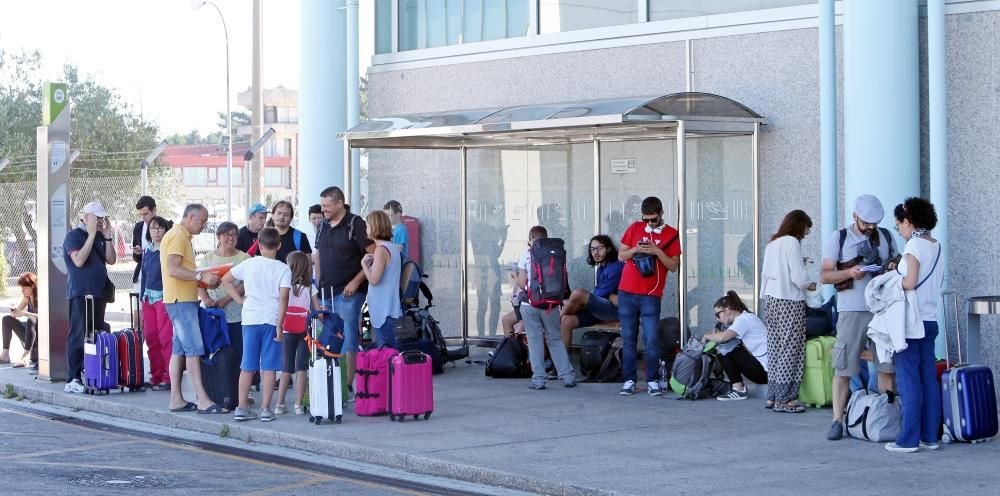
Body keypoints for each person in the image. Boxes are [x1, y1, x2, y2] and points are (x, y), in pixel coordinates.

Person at [821, 195, 897, 440]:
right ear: (855, 216)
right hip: (851, 310)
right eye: (866, 222)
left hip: (882, 310)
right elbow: (824, 275)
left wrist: (892, 266)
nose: (871, 227)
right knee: (843, 368)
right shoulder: (839, 237)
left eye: (875, 223)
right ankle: (836, 420)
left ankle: (888, 417)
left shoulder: (885, 236)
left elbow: (897, 262)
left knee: (886, 366)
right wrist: (849, 272)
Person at [885, 198, 943, 453]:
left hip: (910, 322)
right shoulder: (936, 245)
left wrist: (891, 279)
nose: (899, 230)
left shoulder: (914, 246)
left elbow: (909, 282)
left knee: (909, 380)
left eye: (899, 225)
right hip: (930, 319)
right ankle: (931, 436)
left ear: (908, 222)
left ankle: (908, 440)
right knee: (928, 379)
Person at [222, 227, 291, 422]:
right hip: (271, 320)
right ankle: (265, 410)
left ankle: (242, 408)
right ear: (278, 245)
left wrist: (239, 298)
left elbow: (226, 279)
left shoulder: (249, 264)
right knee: (269, 367)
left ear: (259, 245)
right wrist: (280, 324)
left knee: (247, 366)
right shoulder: (283, 269)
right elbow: (284, 297)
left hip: (250, 318)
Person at [161, 204, 224, 413]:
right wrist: (200, 277)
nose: (204, 225)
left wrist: (202, 284)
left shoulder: (182, 236)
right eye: (202, 220)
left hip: (181, 300)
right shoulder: (178, 236)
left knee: (179, 350)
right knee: (194, 349)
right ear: (189, 217)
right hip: (181, 301)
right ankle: (203, 400)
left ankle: (176, 399)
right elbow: (173, 269)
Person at [617, 197, 681, 396]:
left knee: (651, 338)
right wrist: (636, 248)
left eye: (653, 220)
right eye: (646, 220)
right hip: (627, 291)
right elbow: (621, 255)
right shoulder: (635, 228)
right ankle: (629, 380)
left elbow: (673, 266)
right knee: (628, 339)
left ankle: (652, 380)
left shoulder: (671, 234)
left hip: (651, 294)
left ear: (661, 213)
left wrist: (656, 251)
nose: (649, 224)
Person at [314, 186, 375, 394]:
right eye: (322, 206)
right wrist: (318, 282)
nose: (323, 210)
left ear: (339, 203)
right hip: (326, 292)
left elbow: (373, 253)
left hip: (349, 293)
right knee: (328, 338)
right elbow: (319, 255)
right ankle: (330, 385)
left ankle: (348, 386)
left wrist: (356, 282)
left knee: (348, 337)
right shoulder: (323, 225)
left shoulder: (355, 224)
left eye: (327, 205)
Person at [760, 209, 816, 413]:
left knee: (775, 348)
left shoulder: (773, 242)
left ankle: (773, 396)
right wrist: (812, 285)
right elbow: (798, 279)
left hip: (771, 299)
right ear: (799, 226)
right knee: (790, 350)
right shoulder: (792, 242)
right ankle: (785, 399)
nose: (805, 235)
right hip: (789, 300)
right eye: (806, 230)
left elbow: (770, 271)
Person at [62, 201, 117, 393]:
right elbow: (78, 261)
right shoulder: (74, 236)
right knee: (79, 333)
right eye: (97, 218)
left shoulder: (101, 236)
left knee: (96, 334)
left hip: (99, 293)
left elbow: (111, 260)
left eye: (102, 218)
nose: (101, 221)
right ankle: (73, 377)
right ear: (85, 218)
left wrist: (108, 237)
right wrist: (92, 234)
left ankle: (91, 371)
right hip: (80, 293)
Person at [517, 226, 576, 390]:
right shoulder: (555, 253)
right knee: (555, 338)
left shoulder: (526, 255)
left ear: (530, 239)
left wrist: (515, 277)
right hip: (551, 303)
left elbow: (522, 283)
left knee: (535, 340)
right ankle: (568, 376)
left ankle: (538, 379)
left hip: (530, 304)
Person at [198, 221, 250, 399]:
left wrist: (226, 299)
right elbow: (199, 282)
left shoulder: (244, 258)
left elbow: (245, 284)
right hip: (214, 316)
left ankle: (240, 392)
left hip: (238, 315)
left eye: (234, 234)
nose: (230, 238)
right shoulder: (208, 258)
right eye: (226, 234)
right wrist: (207, 299)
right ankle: (220, 390)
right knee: (218, 354)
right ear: (218, 237)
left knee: (239, 353)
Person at [559, 235, 624, 353]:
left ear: (608, 249)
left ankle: (554, 321)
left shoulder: (617, 266)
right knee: (566, 320)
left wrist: (576, 302)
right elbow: (603, 294)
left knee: (578, 293)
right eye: (593, 249)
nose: (595, 252)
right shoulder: (600, 268)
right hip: (601, 309)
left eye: (599, 248)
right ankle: (563, 366)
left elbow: (601, 293)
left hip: (615, 311)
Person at [702, 290, 768, 401]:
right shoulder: (746, 318)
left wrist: (706, 336)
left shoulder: (743, 320)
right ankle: (738, 388)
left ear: (726, 310)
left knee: (724, 349)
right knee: (728, 346)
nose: (717, 319)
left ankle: (738, 390)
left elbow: (723, 337)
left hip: (765, 372)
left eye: (718, 314)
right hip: (766, 371)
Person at [276, 251, 318, 416]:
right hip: (304, 330)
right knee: (301, 368)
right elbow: (317, 310)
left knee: (286, 368)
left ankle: (279, 404)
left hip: (287, 330)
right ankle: (298, 405)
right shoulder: (310, 287)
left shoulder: (285, 286)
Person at [139, 216, 174, 390]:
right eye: (153, 228)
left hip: (163, 298)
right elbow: (144, 275)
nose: (157, 231)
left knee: (165, 337)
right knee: (151, 336)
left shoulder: (168, 249)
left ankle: (169, 377)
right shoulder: (147, 250)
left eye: (160, 228)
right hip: (148, 298)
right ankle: (156, 374)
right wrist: (142, 295)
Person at [361, 210, 403, 349]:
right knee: (391, 350)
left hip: (383, 310)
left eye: (367, 225)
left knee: (386, 353)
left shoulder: (381, 250)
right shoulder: (392, 248)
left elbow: (374, 280)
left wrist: (364, 265)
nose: (366, 228)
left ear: (374, 226)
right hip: (390, 308)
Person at [1, 273, 39, 369]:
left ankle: (25, 356)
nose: (22, 290)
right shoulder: (27, 298)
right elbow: (16, 313)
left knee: (31, 320)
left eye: (25, 288)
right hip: (30, 336)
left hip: (41, 338)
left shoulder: (41, 297)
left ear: (33, 286)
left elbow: (44, 317)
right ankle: (5, 354)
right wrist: (14, 311)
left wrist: (25, 314)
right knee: (6, 319)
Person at [131, 196, 156, 286]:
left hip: (159, 276)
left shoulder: (166, 225)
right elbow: (136, 258)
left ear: (154, 210)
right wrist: (138, 252)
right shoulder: (138, 227)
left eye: (145, 214)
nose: (143, 218)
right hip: (141, 275)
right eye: (140, 215)